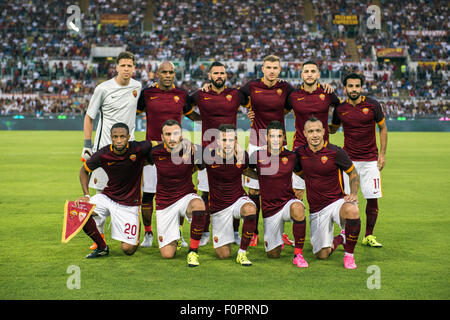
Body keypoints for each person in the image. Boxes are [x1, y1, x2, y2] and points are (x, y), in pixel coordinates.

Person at [242, 55, 334, 247]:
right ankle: (253, 233)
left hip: (278, 142)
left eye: (275, 67)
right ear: (263, 69)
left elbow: (305, 94)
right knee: (254, 189)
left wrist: (325, 86)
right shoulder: (252, 86)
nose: (272, 70)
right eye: (268, 67)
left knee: (281, 189)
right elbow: (235, 99)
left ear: (280, 69)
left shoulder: (286, 89)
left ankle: (281, 233)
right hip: (257, 140)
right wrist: (249, 109)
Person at [81, 51, 141, 250]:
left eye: (129, 65)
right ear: (116, 67)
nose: (126, 69)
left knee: (130, 188)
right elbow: (89, 117)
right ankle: (99, 237)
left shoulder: (137, 87)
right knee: (101, 190)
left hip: (128, 150)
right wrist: (87, 145)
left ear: (134, 68)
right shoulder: (103, 88)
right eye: (122, 65)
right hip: (104, 148)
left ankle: (132, 227)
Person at [137, 61, 201, 248]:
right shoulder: (147, 93)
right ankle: (148, 233)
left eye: (171, 72)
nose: (167, 75)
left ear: (175, 74)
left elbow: (193, 116)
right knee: (148, 194)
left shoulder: (181, 95)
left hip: (176, 152)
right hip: (153, 152)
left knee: (179, 194)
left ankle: (178, 233)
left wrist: (216, 116)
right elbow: (132, 112)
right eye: (164, 72)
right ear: (157, 73)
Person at [76, 122, 156, 258]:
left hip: (130, 204)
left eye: (122, 137)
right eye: (115, 137)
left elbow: (159, 144)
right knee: (80, 210)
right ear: (111, 137)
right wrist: (86, 195)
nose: (119, 140)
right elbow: (83, 170)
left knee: (128, 249)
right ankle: (102, 247)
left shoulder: (139, 148)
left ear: (128, 137)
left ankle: (136, 225)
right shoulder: (104, 154)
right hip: (108, 197)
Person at [190, 61, 249, 247]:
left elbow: (252, 102)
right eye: (215, 73)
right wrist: (200, 119)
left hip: (232, 151)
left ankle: (235, 231)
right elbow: (184, 107)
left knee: (235, 192)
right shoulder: (201, 94)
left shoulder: (235, 94)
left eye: (222, 73)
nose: (219, 76)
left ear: (226, 75)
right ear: (209, 76)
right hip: (208, 150)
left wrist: (252, 114)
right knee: (206, 193)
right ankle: (206, 231)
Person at [330, 72, 388, 248]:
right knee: (348, 200)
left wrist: (383, 154)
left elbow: (383, 128)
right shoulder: (340, 109)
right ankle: (346, 233)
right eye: (350, 86)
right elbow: (332, 129)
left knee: (372, 197)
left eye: (357, 86)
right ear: (345, 88)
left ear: (361, 87)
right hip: (349, 163)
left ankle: (368, 235)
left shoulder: (372, 105)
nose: (353, 89)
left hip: (370, 161)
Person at [295, 116, 361, 269]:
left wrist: (354, 194)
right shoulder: (300, 153)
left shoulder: (336, 151)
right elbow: (298, 172)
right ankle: (341, 238)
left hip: (336, 202)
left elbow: (353, 173)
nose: (315, 135)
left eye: (318, 130)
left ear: (324, 131)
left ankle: (349, 256)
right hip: (317, 210)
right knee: (322, 255)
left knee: (353, 209)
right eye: (311, 131)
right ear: (304, 133)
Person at [248, 121, 309, 268]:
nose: (276, 139)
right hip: (270, 210)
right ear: (266, 138)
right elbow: (244, 169)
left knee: (298, 208)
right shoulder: (257, 156)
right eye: (272, 136)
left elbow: (304, 174)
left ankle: (298, 255)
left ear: (283, 138)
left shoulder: (292, 157)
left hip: (287, 203)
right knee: (273, 255)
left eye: (279, 136)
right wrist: (260, 177)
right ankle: (278, 240)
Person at [149, 120, 206, 267]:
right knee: (167, 255)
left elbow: (202, 166)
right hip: (164, 203)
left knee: (199, 205)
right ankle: (177, 234)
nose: (172, 138)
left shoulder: (192, 150)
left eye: (175, 134)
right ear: (162, 137)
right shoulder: (155, 152)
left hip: (185, 197)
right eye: (168, 134)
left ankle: (193, 251)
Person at [201, 124, 258, 266]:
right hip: (218, 207)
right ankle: (230, 235)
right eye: (224, 140)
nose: (227, 143)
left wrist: (265, 179)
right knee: (223, 255)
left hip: (238, 199)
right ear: (218, 141)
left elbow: (246, 171)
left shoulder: (242, 156)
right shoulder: (208, 156)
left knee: (250, 209)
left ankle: (242, 253)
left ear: (236, 141)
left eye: (231, 140)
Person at [285, 60, 340, 201]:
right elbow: (279, 112)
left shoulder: (327, 92)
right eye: (306, 72)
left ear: (318, 74)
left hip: (323, 149)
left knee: (325, 192)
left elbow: (340, 107)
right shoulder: (293, 95)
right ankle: (299, 221)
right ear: (301, 75)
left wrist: (334, 126)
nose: (310, 74)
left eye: (313, 71)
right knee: (297, 193)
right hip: (300, 148)